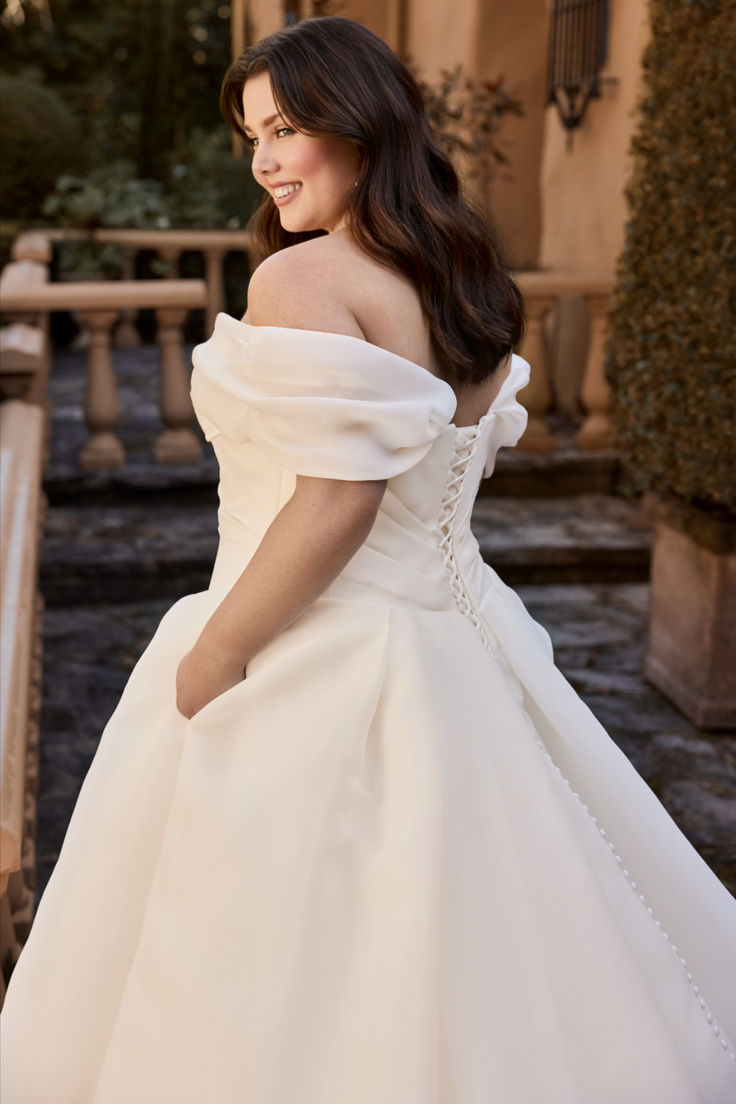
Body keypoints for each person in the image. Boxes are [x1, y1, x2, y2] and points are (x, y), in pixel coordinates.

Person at [1, 15, 735, 1103]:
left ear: (358, 123)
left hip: (311, 659)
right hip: (459, 646)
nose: (261, 159)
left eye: (288, 128)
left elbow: (337, 502)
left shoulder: (302, 282)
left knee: (272, 966)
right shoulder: (458, 277)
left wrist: (212, 659)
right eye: (252, 133)